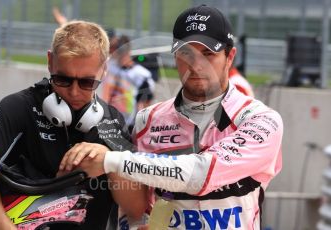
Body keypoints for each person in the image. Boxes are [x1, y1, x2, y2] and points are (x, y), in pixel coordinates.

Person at [59, 5, 283, 229]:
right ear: (175, 55)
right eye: (187, 53)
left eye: (208, 54)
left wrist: (110, 160)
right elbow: (134, 206)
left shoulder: (261, 120)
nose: (196, 65)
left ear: (229, 56)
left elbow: (202, 174)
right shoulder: (148, 120)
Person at [0, 20, 147, 230]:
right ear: (50, 62)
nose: (74, 92)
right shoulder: (18, 107)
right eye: (63, 79)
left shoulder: (112, 122)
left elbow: (136, 209)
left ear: (104, 69)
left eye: (87, 83)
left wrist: (111, 160)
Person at [100, 35, 155, 132]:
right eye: (118, 50)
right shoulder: (108, 67)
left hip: (128, 125)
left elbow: (146, 104)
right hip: (108, 120)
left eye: (123, 51)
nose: (121, 55)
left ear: (129, 51)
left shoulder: (140, 75)